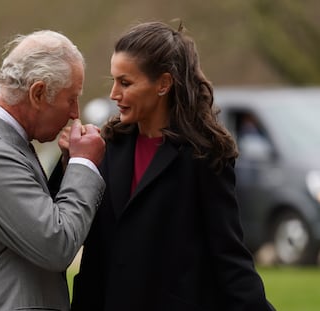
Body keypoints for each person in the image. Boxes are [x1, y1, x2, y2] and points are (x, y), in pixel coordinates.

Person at [67, 21, 276, 310]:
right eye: (114, 80)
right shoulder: (108, 147)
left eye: (125, 82)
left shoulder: (204, 156)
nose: (114, 93)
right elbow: (91, 249)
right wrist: (72, 159)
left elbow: (228, 258)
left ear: (164, 84)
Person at [0, 30, 105, 311]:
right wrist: (83, 164)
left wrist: (68, 165)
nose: (75, 113)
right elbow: (57, 244)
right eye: (71, 98)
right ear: (38, 93)